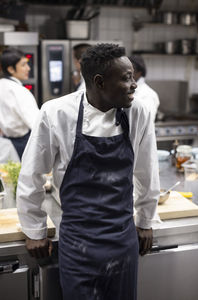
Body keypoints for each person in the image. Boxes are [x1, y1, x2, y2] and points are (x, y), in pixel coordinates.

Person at [17, 44, 160, 300]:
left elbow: (147, 170)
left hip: (122, 237)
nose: (134, 84)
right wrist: (34, 229)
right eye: (126, 78)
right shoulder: (57, 112)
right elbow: (32, 174)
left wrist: (146, 221)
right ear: (99, 82)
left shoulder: (138, 111)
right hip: (78, 240)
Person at [0, 47, 39, 160]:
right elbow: (36, 123)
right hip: (22, 145)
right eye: (23, 65)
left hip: (4, 143)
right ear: (11, 69)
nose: (28, 68)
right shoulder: (20, 91)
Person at [129, 54, 160, 121]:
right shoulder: (127, 90)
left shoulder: (148, 94)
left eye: (130, 72)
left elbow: (145, 121)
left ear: (139, 73)